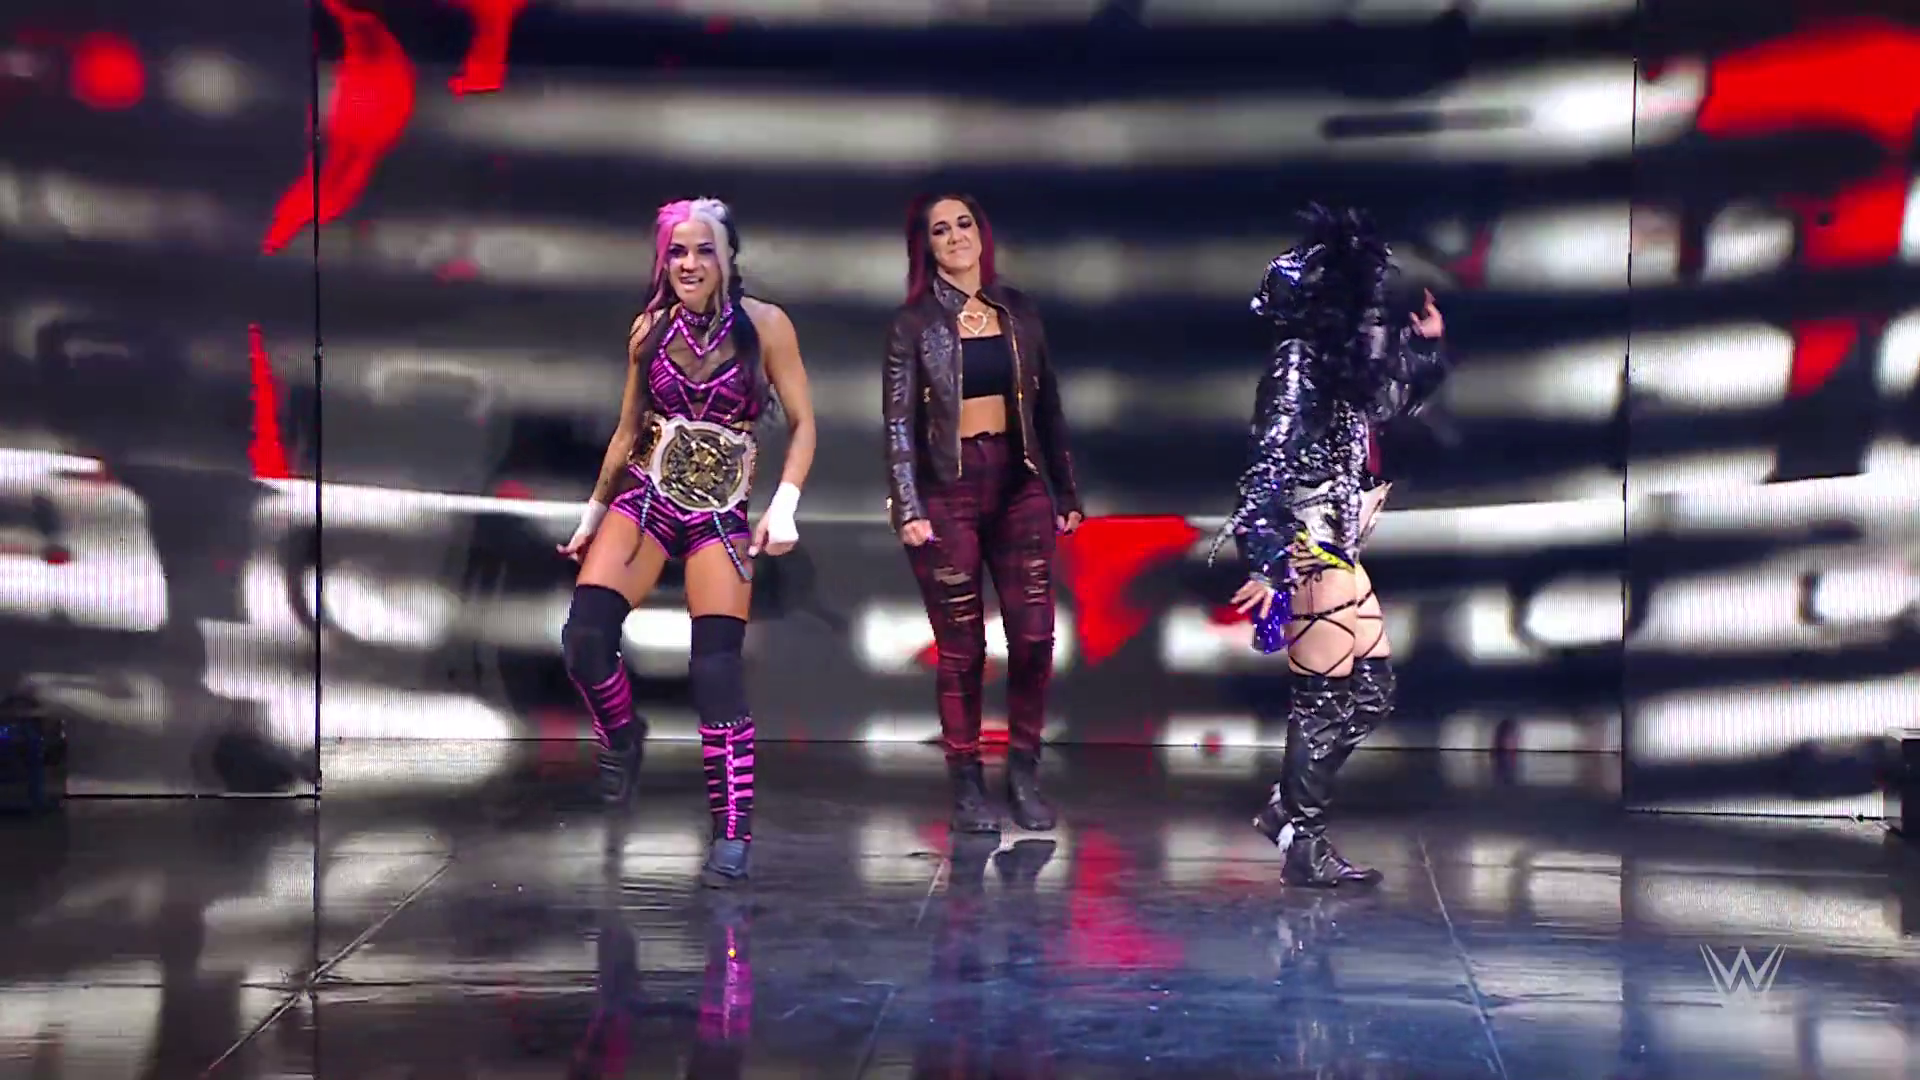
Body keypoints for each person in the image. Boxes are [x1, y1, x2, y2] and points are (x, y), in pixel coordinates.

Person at [557, 196, 816, 888]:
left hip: (721, 512)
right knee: (585, 639)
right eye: (677, 251)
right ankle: (622, 736)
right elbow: (627, 429)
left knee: (715, 671)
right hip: (648, 495)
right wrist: (593, 513)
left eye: (704, 249)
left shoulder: (768, 326)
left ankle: (732, 829)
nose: (690, 263)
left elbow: (804, 424)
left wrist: (785, 504)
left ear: (729, 255)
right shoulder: (650, 329)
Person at [1211, 203, 1450, 888]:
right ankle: (1303, 843)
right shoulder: (1297, 365)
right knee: (1322, 701)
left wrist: (1425, 349)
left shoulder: (1348, 362)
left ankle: (1285, 811)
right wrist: (1267, 561)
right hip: (1312, 546)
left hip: (1341, 542)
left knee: (1371, 695)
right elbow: (1267, 465)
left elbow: (1389, 406)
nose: (1375, 311)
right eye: (1363, 298)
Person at [882, 193, 1082, 835]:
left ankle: (1023, 771)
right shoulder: (913, 324)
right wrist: (908, 506)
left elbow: (1048, 407)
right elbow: (897, 424)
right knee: (963, 646)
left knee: (1034, 635)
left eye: (964, 224)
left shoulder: (1017, 310)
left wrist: (1066, 491)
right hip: (948, 489)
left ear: (981, 233)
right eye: (941, 230)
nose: (955, 237)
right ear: (926, 246)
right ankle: (966, 783)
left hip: (1018, 481)